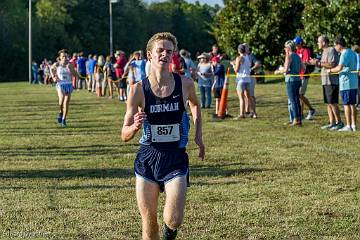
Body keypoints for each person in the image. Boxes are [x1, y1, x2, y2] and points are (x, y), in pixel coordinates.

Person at [121, 32, 205, 240]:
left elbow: (195, 105)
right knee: (149, 222)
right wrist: (134, 127)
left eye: (169, 51)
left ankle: (169, 234)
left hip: (175, 158)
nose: (164, 55)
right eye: (160, 50)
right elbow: (124, 134)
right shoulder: (137, 90)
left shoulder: (185, 84)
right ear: (150, 55)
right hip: (148, 159)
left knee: (174, 218)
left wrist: (198, 135)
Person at [309, 35, 343, 130]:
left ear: (323, 42)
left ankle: (339, 122)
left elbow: (331, 64)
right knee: (328, 103)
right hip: (325, 80)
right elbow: (323, 65)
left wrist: (318, 63)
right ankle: (332, 122)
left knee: (333, 102)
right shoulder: (324, 52)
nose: (317, 43)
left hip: (332, 80)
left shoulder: (331, 50)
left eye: (319, 42)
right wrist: (315, 62)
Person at [328, 36, 358, 132]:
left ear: (339, 45)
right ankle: (354, 125)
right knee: (352, 104)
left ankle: (348, 126)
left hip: (346, 82)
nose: (335, 48)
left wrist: (330, 70)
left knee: (346, 104)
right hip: (354, 82)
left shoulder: (344, 54)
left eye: (335, 46)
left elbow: (339, 68)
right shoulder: (352, 52)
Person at [275, 40, 303, 126]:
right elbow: (304, 68)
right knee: (297, 100)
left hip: (291, 80)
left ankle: (295, 119)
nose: (284, 49)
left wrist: (278, 72)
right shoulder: (298, 56)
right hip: (298, 80)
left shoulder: (289, 56)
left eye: (285, 47)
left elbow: (286, 70)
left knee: (293, 100)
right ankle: (299, 119)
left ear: (288, 48)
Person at [50, 49, 76, 127]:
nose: (64, 58)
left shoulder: (70, 64)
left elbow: (74, 74)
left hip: (68, 84)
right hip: (60, 84)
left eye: (66, 56)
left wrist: (71, 70)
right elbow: (51, 69)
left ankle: (64, 120)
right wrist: (53, 77)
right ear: (60, 57)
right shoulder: (57, 64)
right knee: (61, 101)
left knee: (66, 103)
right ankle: (60, 112)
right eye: (63, 56)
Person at [294, 36, 316, 120]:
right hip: (298, 75)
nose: (295, 46)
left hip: (304, 75)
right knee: (300, 95)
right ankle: (301, 113)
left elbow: (306, 62)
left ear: (300, 43)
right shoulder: (296, 51)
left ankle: (311, 109)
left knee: (300, 94)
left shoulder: (306, 50)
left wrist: (298, 63)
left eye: (296, 44)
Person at [231, 44, 253, 119]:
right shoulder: (247, 57)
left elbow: (236, 70)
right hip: (247, 79)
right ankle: (253, 112)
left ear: (239, 50)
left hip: (241, 80)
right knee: (249, 97)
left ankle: (241, 114)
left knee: (241, 98)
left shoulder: (239, 58)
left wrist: (233, 65)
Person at [352, 45, 360, 110]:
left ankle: (357, 104)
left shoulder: (356, 55)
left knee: (358, 89)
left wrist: (357, 71)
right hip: (357, 73)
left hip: (357, 73)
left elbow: (358, 64)